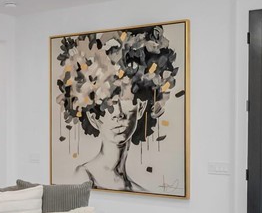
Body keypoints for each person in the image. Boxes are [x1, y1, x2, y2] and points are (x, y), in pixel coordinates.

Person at [55, 25, 179, 192]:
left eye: (126, 99)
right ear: (93, 117)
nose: (118, 114)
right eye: (108, 102)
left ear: (141, 108)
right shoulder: (83, 178)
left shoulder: (138, 190)